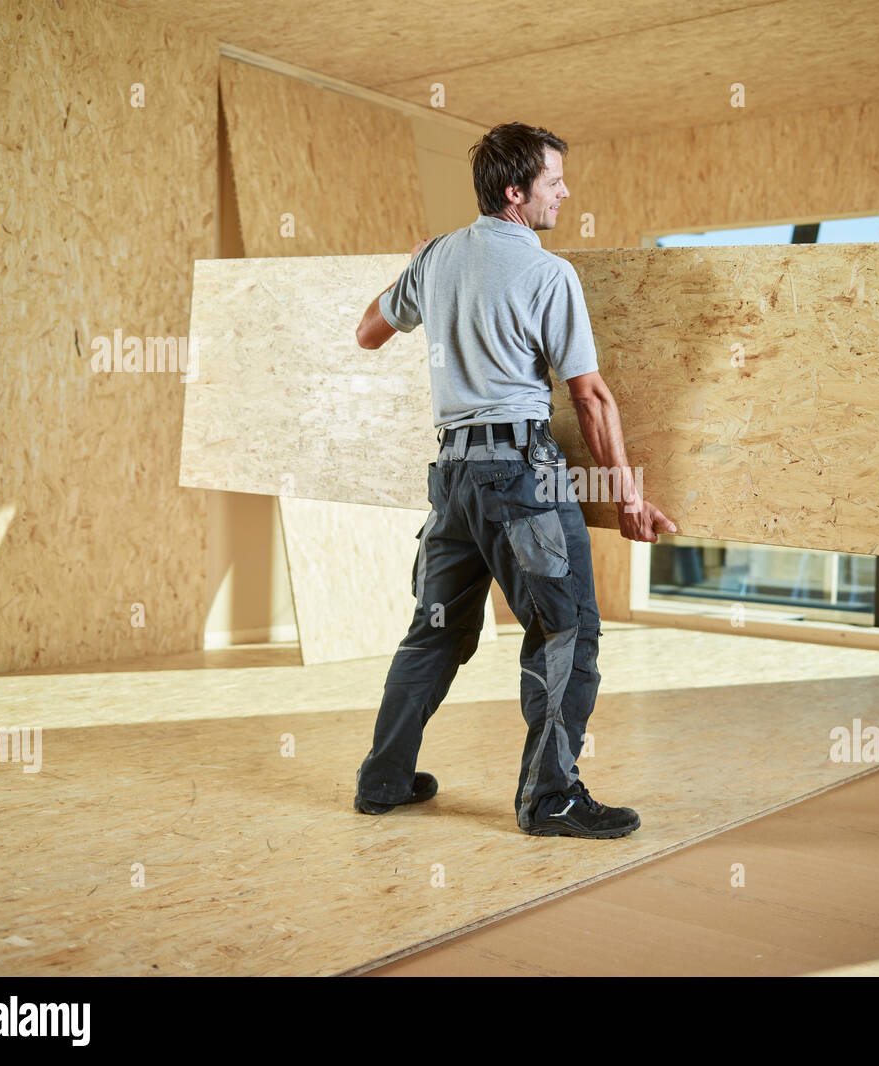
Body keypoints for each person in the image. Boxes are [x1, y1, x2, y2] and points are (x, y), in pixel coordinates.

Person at [351, 121, 675, 838]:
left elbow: (368, 332)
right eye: (553, 182)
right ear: (514, 193)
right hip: (521, 475)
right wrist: (628, 497)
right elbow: (589, 396)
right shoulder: (547, 273)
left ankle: (384, 779)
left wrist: (418, 270)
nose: (565, 193)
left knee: (435, 632)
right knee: (567, 630)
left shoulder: (436, 257)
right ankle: (550, 798)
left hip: (453, 478)